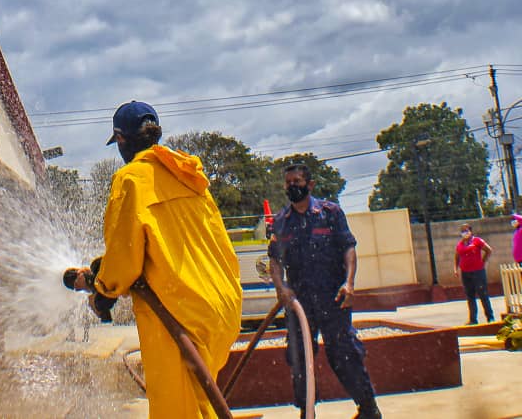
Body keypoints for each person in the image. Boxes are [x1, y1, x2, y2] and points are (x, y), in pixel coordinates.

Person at [88, 100, 242, 418]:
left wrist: (103, 292)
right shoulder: (189, 176)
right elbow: (173, 238)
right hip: (222, 307)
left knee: (176, 411)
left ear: (121, 139)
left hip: (179, 315)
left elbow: (125, 256)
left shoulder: (130, 179)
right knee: (199, 402)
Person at [268, 164, 381, 419]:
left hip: (333, 299)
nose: (292, 186)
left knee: (344, 354)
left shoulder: (330, 213)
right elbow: (274, 260)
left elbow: (348, 248)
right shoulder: (281, 221)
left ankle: (368, 409)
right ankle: (307, 412)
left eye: (297, 181)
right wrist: (280, 287)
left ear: (310, 185)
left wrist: (349, 283)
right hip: (299, 303)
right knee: (300, 359)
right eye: (288, 182)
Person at [454, 223, 495, 324]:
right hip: (465, 273)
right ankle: (473, 319)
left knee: (483, 294)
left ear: (471, 231)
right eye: (463, 231)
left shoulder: (477, 241)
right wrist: (455, 268)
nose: (465, 233)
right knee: (470, 296)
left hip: (477, 272)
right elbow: (457, 257)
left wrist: (483, 261)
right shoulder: (460, 244)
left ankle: (490, 317)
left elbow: (488, 250)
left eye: (466, 230)